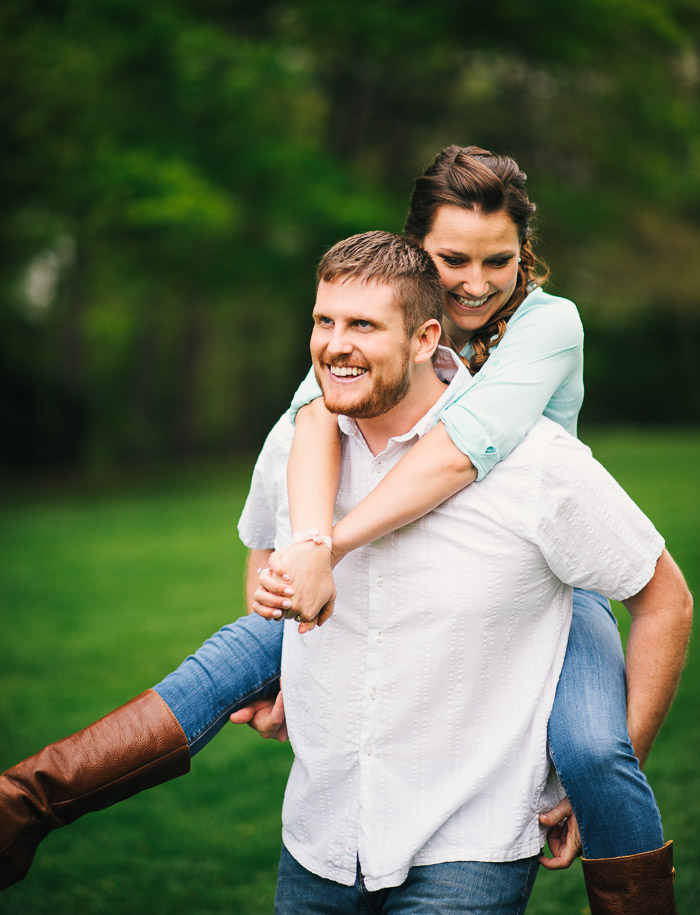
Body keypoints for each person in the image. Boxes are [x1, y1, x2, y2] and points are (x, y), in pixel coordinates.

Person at [0, 147, 688, 911]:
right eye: (452, 258)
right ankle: (23, 802)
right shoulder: (363, 326)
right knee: (227, 660)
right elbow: (309, 423)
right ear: (414, 254)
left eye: (500, 260)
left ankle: (619, 852)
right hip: (359, 600)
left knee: (595, 748)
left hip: (550, 572)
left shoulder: (545, 326)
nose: (477, 282)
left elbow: (463, 450)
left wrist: (328, 544)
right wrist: (300, 589)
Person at [237, 230, 691, 914]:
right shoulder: (302, 437)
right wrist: (280, 672)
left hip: (468, 849)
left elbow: (666, 599)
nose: (335, 342)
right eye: (324, 321)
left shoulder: (537, 457)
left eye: (361, 324)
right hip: (319, 837)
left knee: (595, 752)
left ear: (423, 339)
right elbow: (266, 559)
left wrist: (605, 777)